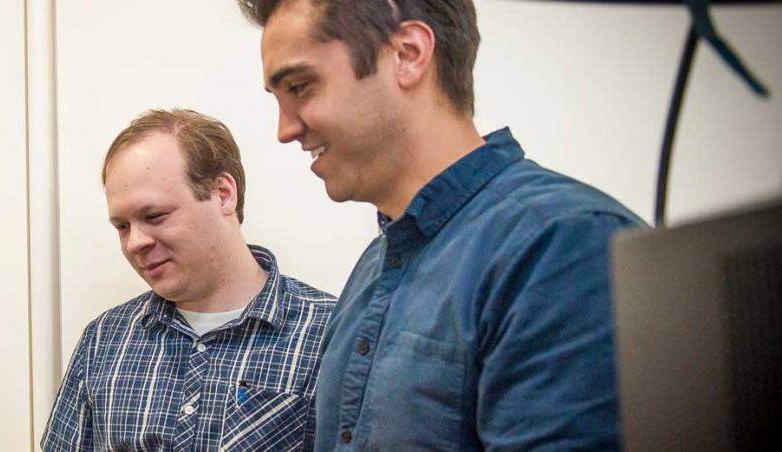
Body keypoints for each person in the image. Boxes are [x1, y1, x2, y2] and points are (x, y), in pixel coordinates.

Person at [236, 0, 646, 450]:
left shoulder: (560, 244)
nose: (284, 129)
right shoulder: (375, 266)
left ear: (408, 55)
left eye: (300, 86)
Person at [41, 108, 337, 451]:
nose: (135, 242)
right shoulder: (104, 341)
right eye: (122, 226)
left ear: (223, 193)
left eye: (155, 216)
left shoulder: (331, 334)